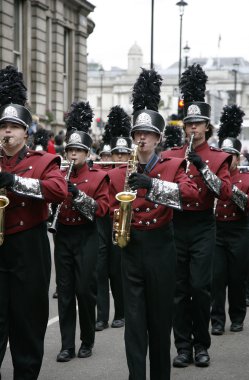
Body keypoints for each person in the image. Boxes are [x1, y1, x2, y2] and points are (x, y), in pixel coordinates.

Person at [109, 68, 199, 380]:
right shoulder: (124, 168)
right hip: (132, 247)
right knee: (134, 326)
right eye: (137, 134)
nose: (141, 138)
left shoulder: (174, 165)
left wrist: (152, 185)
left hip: (162, 247)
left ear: (158, 139)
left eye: (146, 134)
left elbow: (189, 195)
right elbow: (111, 205)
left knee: (159, 323)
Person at [0, 65, 68, 379]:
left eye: (14, 127)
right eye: (3, 127)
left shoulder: (43, 161)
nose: (7, 132)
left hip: (29, 246)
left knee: (27, 322)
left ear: (27, 132)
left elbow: (58, 190)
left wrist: (13, 181)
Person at [163, 64, 232, 368]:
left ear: (207, 126)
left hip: (204, 225)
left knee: (199, 288)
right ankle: (182, 346)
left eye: (197, 124)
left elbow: (225, 192)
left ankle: (201, 344)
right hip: (176, 224)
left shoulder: (218, 157)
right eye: (188, 124)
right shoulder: (171, 155)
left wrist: (202, 167)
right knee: (177, 289)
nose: (191, 129)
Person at [54, 101, 109, 362]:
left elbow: (102, 209)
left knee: (85, 291)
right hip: (63, 235)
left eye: (78, 150)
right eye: (70, 150)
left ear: (87, 153)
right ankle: (66, 344)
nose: (73, 155)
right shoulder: (58, 175)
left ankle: (87, 339)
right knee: (64, 292)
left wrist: (79, 197)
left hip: (87, 236)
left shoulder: (98, 177)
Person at [211, 104, 249, 334]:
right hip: (217, 230)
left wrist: (227, 188)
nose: (227, 160)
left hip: (238, 230)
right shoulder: (213, 177)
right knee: (216, 278)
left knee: (237, 278)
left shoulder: (247, 178)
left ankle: (237, 316)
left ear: (238, 157)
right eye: (223, 156)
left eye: (231, 156)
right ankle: (216, 320)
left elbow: (248, 203)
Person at [96, 106, 132, 332]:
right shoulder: (101, 172)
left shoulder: (133, 173)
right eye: (117, 153)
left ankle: (121, 312)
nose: (120, 157)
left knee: (117, 272)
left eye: (124, 154)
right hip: (102, 222)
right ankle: (101, 316)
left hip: (122, 221)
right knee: (99, 270)